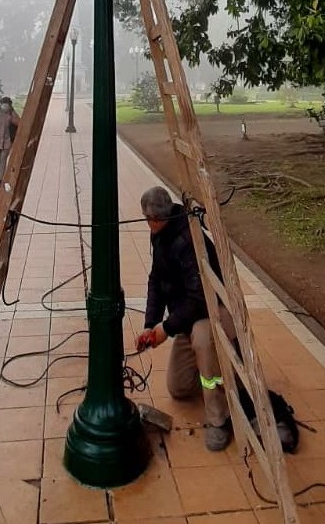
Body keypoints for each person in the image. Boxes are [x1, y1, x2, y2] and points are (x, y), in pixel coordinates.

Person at [136, 185, 236, 451]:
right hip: (188, 314)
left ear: (161, 217)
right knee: (178, 388)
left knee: (204, 343)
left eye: (151, 220)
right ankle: (221, 368)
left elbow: (201, 298)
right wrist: (150, 324)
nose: (149, 224)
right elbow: (156, 280)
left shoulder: (188, 241)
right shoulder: (160, 235)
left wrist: (166, 329)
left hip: (214, 310)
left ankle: (219, 418)